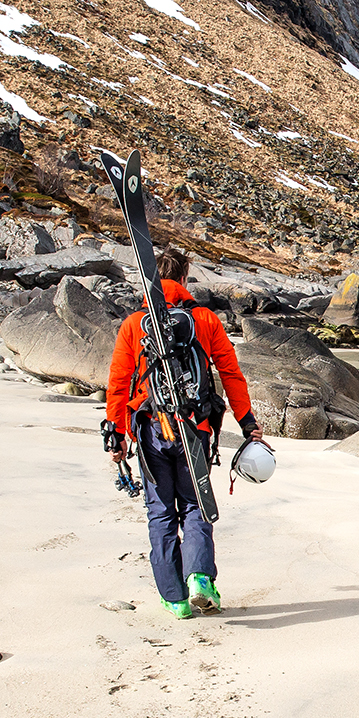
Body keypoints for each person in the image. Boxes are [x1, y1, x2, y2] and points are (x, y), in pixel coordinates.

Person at [105, 247, 264, 619]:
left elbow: (118, 383)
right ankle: (200, 579)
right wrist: (247, 422)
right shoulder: (205, 319)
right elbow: (230, 374)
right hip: (195, 427)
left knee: (160, 511)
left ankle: (175, 599)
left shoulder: (134, 325)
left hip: (150, 428)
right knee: (195, 504)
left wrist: (116, 434)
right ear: (185, 276)